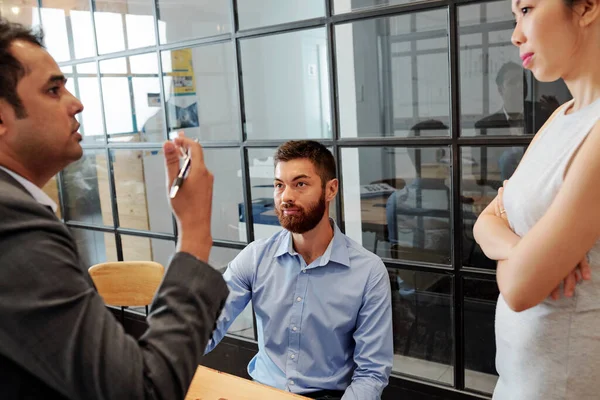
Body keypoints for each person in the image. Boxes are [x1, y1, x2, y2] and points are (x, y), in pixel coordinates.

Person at [0, 19, 229, 399]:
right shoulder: (14, 227)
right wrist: (194, 232)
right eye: (53, 90)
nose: (76, 103)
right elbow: (144, 392)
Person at [472, 0, 600, 398]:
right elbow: (485, 220)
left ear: (586, 7)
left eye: (526, 9)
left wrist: (518, 263)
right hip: (515, 382)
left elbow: (520, 289)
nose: (516, 34)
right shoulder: (560, 116)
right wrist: (524, 249)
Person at [205, 140, 393, 400]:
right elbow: (208, 327)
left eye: (300, 184)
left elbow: (371, 373)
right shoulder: (256, 257)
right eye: (279, 185)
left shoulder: (368, 272)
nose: (286, 197)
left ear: (331, 189)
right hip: (262, 392)